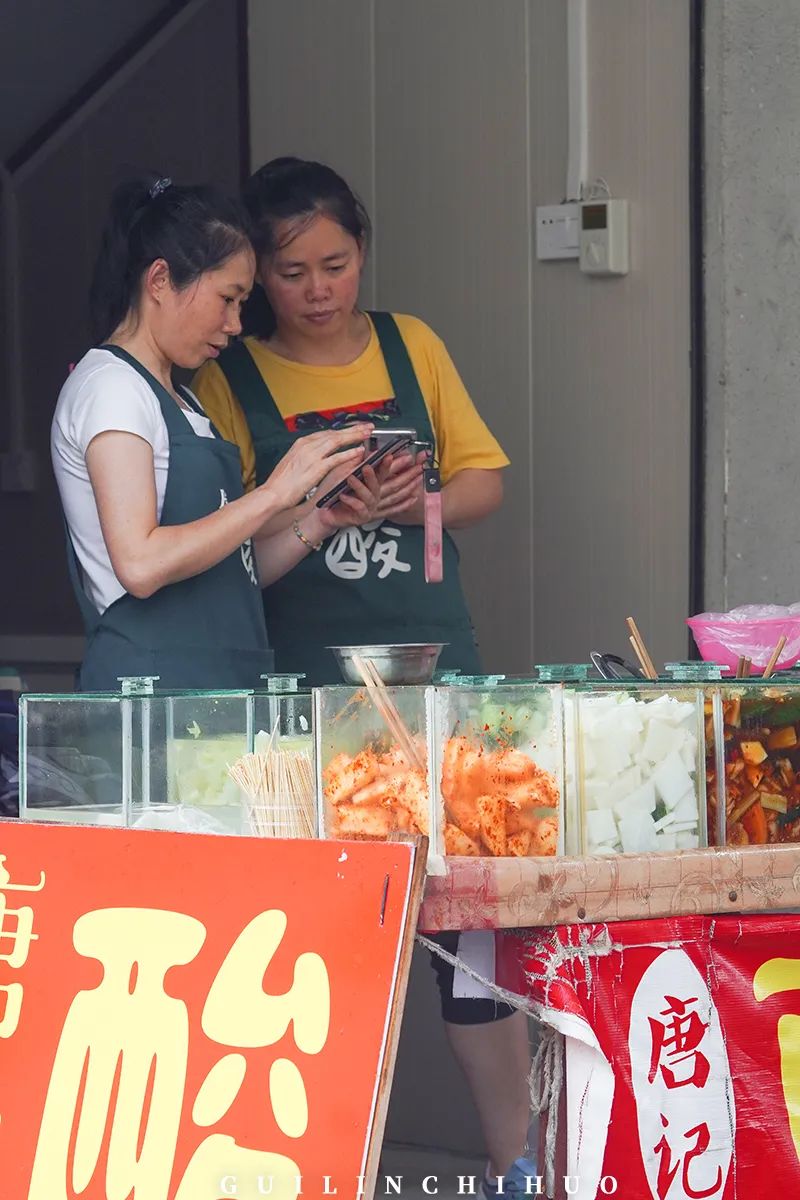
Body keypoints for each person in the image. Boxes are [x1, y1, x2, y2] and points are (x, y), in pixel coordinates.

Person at [191, 157, 535, 1197]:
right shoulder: (227, 376)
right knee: (331, 945)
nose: (315, 289)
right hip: (310, 703)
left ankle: (514, 1167)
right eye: (288, 272)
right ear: (255, 279)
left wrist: (405, 502)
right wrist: (314, 507)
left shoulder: (408, 344)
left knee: (475, 931)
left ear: (360, 253)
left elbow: (483, 479)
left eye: (333, 263)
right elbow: (221, 540)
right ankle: (329, 1172)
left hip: (439, 684)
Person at [52, 174, 389, 692]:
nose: (236, 324)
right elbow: (140, 563)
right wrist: (277, 492)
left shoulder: (182, 400)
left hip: (220, 683)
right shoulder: (112, 387)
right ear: (160, 280)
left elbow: (231, 566)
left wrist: (321, 514)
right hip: (153, 690)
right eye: (228, 299)